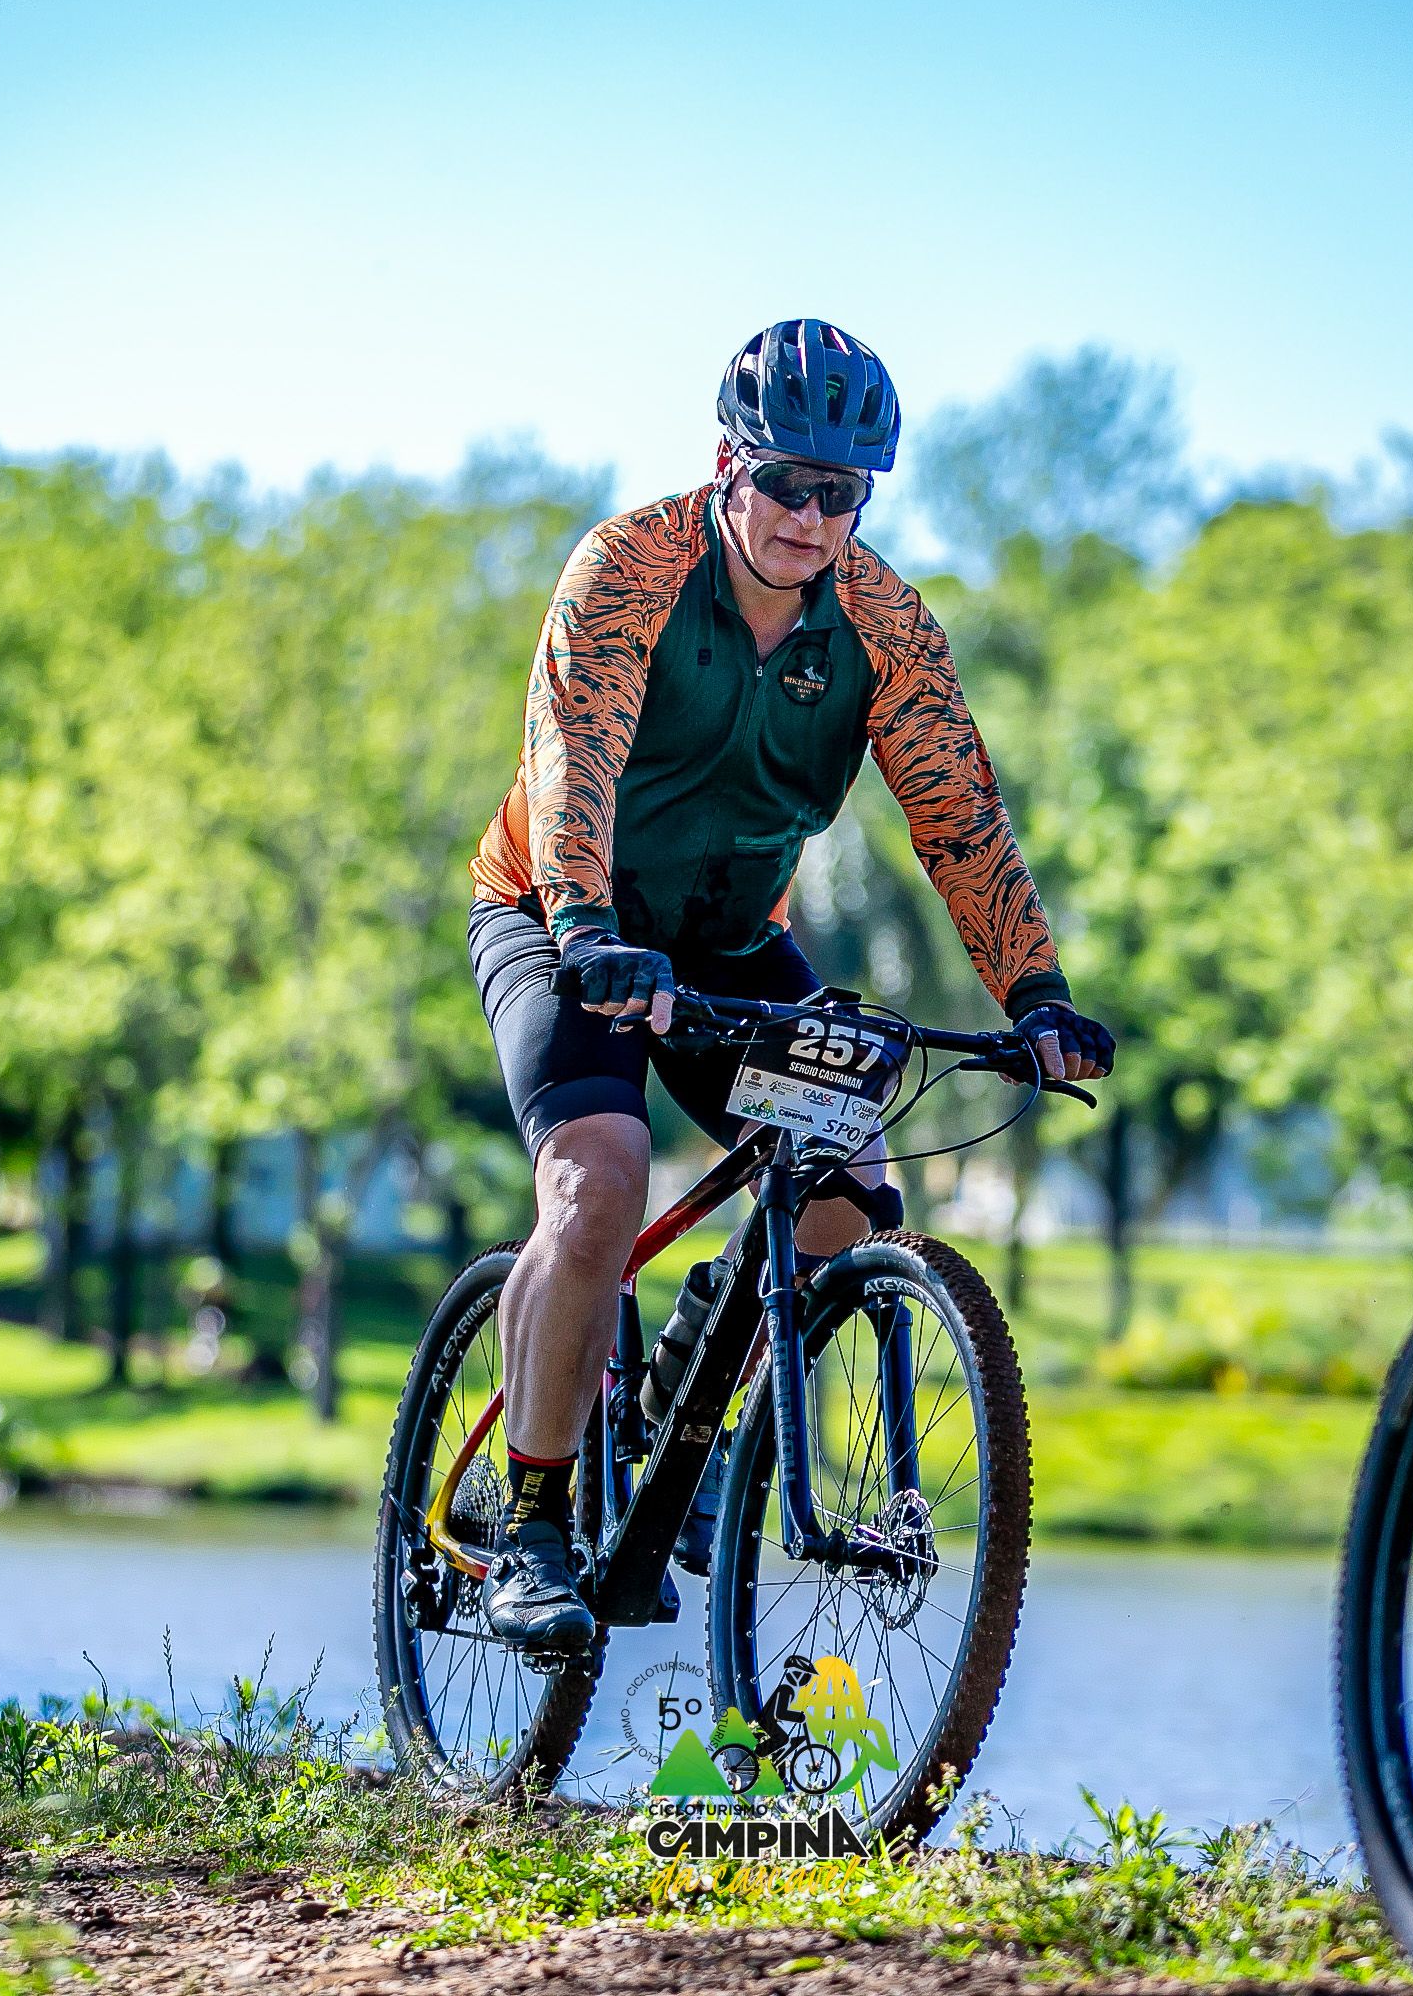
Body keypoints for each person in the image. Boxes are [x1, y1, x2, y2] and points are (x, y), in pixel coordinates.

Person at [464, 318, 1115, 1652]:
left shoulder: (885, 625)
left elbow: (960, 820)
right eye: (788, 484)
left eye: (842, 492)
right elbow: (571, 756)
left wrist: (1037, 994)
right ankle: (528, 1526)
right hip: (559, 914)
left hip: (724, 937)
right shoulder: (630, 569)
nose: (812, 519)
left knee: (846, 1185)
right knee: (598, 1182)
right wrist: (586, 928)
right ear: (729, 465)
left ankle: (689, 1399)